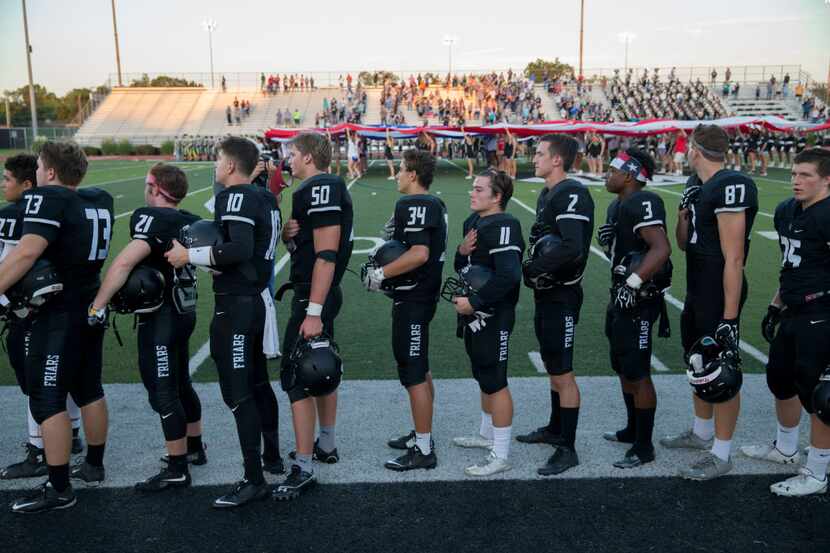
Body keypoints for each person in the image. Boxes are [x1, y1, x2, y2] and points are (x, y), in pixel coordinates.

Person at [166, 137, 283, 508]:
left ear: (232, 166)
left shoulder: (237, 196)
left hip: (237, 306)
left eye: (219, 159)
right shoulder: (265, 197)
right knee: (259, 383)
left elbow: (239, 250)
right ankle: (272, 457)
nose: (216, 165)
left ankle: (254, 479)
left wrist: (191, 255)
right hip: (254, 300)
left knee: (238, 392)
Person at [1, 142, 112, 513]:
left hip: (58, 313)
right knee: (89, 389)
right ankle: (94, 465)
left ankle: (60, 488)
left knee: (47, 400)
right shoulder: (99, 198)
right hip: (91, 304)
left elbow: (28, 251)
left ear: (48, 172)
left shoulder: (48, 198)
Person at [89, 164, 206, 491]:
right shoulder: (189, 219)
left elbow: (125, 262)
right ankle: (194, 448)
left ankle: (178, 468)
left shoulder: (153, 218)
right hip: (184, 311)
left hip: (162, 316)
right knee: (181, 383)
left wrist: (97, 305)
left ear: (155, 187)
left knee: (163, 389)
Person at [664, 124, 758, 480]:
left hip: (721, 290)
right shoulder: (697, 186)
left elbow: (734, 259)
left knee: (722, 371)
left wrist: (730, 318)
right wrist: (683, 216)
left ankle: (722, 453)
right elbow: (686, 242)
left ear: (695, 150)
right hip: (698, 286)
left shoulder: (731, 185)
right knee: (698, 361)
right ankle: (701, 433)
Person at [740, 148, 830, 496]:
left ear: (826, 179)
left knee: (822, 394)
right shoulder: (786, 211)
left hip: (822, 313)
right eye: (794, 174)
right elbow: (791, 268)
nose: (796, 180)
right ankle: (786, 449)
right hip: (793, 309)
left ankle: (818, 472)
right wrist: (775, 305)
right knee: (781, 380)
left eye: (806, 175)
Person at [274, 132, 353, 501]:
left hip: (313, 295)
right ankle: (325, 444)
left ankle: (303, 466)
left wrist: (314, 311)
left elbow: (325, 255)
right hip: (316, 292)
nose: (288, 159)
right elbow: (310, 249)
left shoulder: (320, 186)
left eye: (292, 153)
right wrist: (292, 236)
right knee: (321, 369)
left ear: (306, 156)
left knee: (297, 377)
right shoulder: (316, 189)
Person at [0, 154, 84, 481]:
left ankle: (39, 450)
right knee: (70, 377)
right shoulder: (76, 204)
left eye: (8, 179)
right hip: (72, 303)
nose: (4, 184)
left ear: (28, 184)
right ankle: (72, 433)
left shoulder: (17, 215)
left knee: (39, 384)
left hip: (34, 308)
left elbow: (14, 259)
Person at [517, 134, 594, 476]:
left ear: (558, 160)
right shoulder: (549, 192)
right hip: (547, 292)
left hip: (562, 293)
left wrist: (533, 268)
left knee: (563, 370)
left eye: (539, 153)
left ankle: (568, 448)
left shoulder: (571, 192)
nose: (534, 158)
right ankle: (554, 427)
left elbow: (572, 247)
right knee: (552, 364)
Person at [365, 149, 447, 471]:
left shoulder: (414, 203)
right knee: (420, 369)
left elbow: (419, 254)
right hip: (422, 296)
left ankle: (424, 448)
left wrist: (381, 274)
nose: (397, 174)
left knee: (413, 373)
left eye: (400, 169)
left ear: (413, 174)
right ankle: (422, 433)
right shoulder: (434, 204)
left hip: (414, 297)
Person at [596, 148, 671, 468]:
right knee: (623, 364)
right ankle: (631, 429)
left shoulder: (643, 200)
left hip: (639, 299)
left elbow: (661, 248)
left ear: (629, 175)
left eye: (613, 170)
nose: (607, 174)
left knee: (638, 372)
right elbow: (631, 249)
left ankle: (644, 446)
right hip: (622, 295)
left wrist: (633, 284)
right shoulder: (618, 204)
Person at [450, 169, 525, 476]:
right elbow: (464, 267)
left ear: (497, 197)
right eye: (473, 188)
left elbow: (509, 275)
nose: (472, 193)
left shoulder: (505, 224)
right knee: (482, 372)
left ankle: (501, 453)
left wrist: (476, 302)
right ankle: (485, 434)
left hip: (494, 313)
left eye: (480, 190)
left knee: (496, 379)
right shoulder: (473, 222)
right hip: (473, 314)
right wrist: (460, 251)